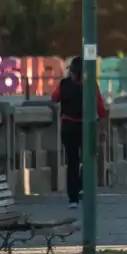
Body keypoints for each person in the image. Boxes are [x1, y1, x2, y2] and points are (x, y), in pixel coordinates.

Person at [51, 57, 108, 208]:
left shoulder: (63, 84)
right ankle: (81, 188)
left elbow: (54, 98)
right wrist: (102, 129)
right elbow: (101, 109)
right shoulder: (91, 86)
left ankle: (73, 198)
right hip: (86, 127)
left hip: (68, 126)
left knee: (72, 162)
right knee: (87, 160)